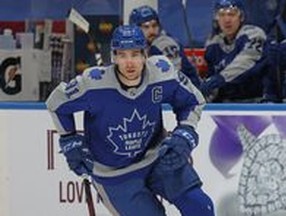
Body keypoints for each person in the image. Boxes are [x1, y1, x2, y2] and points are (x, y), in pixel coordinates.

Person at [46, 24, 214, 216]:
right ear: (114, 56)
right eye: (122, 55)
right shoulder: (93, 84)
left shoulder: (162, 73)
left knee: (201, 207)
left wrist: (185, 132)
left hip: (158, 157)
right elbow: (56, 103)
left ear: (145, 54)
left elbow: (193, 100)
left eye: (135, 54)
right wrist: (69, 140)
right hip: (114, 174)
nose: (129, 62)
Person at [201, 0, 280, 103]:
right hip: (227, 104)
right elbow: (211, 81)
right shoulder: (213, 44)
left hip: (258, 102)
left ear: (241, 17)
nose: (227, 20)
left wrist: (220, 79)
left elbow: (246, 62)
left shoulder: (254, 34)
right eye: (222, 15)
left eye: (232, 14)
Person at [129, 5, 201, 88]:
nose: (151, 31)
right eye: (146, 27)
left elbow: (174, 78)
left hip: (187, 92)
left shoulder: (164, 44)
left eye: (154, 25)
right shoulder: (141, 46)